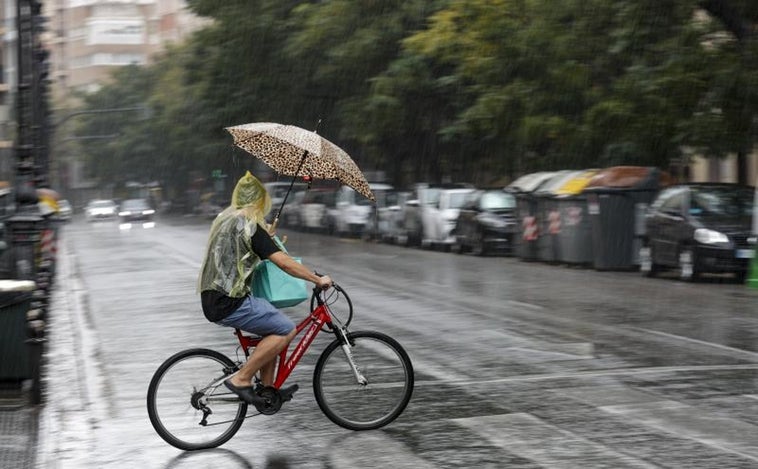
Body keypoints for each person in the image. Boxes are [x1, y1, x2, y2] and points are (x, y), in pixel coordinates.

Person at [198, 171, 332, 405]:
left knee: (272, 324)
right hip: (229, 300)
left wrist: (266, 237)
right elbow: (283, 262)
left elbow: (237, 255)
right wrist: (316, 279)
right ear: (260, 201)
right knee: (285, 329)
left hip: (214, 297)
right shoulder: (250, 226)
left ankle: (267, 390)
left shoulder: (228, 220)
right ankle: (242, 378)